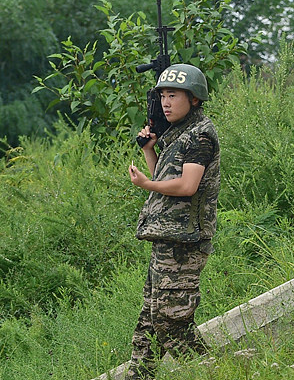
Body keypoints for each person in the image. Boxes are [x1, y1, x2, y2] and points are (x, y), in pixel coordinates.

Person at [125, 64, 220, 379]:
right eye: (163, 95)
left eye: (173, 95)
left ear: (193, 98)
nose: (166, 102)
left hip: (186, 243)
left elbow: (187, 186)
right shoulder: (176, 134)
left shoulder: (201, 135)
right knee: (149, 325)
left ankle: (219, 373)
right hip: (167, 238)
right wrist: (151, 151)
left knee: (171, 324)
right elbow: (164, 179)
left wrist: (145, 186)